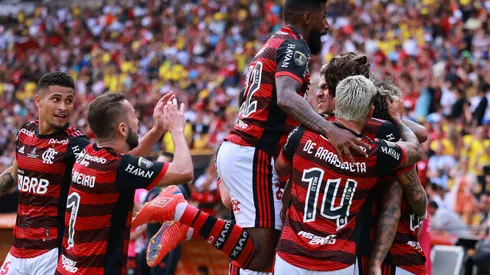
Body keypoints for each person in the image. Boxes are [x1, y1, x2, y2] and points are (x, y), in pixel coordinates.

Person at [135, 1, 370, 274]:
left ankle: (189, 226)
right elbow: (285, 97)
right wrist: (330, 130)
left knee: (255, 244)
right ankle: (182, 212)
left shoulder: (268, 46)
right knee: (260, 255)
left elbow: (250, 100)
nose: (327, 25)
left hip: (242, 149)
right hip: (254, 154)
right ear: (308, 17)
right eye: (324, 16)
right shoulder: (296, 45)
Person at [0, 71, 175, 275]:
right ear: (38, 100)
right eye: (56, 99)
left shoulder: (75, 143)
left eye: (69, 101)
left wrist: (155, 131)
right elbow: (13, 174)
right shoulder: (26, 132)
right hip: (18, 250)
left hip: (52, 253)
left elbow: (117, 165)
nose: (63, 107)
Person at [273, 75, 424, 274]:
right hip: (336, 262)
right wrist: (397, 119)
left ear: (336, 103)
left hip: (290, 256)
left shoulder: (303, 134)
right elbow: (415, 149)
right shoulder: (372, 153)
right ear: (370, 112)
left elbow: (281, 168)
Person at [54, 93, 193, 274]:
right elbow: (184, 171)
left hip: (67, 268)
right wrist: (177, 130)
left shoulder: (88, 153)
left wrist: (158, 129)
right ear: (122, 129)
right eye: (134, 116)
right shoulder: (117, 167)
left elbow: (127, 161)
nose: (137, 121)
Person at [315, 53, 428, 275]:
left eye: (326, 87)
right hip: (341, 251)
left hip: (383, 257)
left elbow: (407, 199)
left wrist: (376, 262)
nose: (319, 93)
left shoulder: (379, 130)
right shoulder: (323, 127)